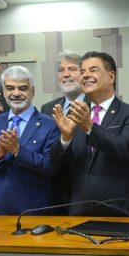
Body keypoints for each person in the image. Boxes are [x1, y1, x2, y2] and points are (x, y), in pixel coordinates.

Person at [51, 51, 129, 216]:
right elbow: (56, 166)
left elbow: (127, 150)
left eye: (93, 70)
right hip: (79, 209)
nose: (85, 75)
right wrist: (65, 139)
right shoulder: (73, 115)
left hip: (119, 210)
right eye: (82, 72)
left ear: (111, 77)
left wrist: (89, 127)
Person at [0, 66, 60, 215]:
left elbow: (50, 166)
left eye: (22, 88)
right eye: (10, 88)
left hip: (33, 208)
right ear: (4, 91)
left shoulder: (49, 124)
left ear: (32, 91)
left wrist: (18, 151)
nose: (16, 93)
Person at [40, 51, 90, 213]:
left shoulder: (95, 106)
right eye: (61, 70)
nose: (65, 74)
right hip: (55, 191)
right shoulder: (47, 108)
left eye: (72, 69)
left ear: (83, 74)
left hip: (86, 191)